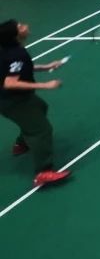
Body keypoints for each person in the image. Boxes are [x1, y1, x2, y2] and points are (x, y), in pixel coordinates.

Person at [1, 19, 70, 188]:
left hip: (15, 98)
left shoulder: (10, 50)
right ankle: (43, 173)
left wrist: (46, 67)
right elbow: (10, 83)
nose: (25, 26)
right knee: (42, 130)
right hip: (12, 100)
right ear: (16, 35)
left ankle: (21, 144)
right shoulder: (17, 54)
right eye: (20, 26)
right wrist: (45, 85)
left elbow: (18, 68)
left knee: (40, 107)